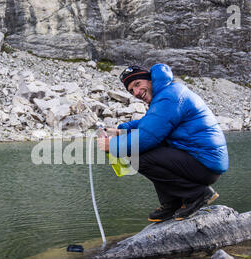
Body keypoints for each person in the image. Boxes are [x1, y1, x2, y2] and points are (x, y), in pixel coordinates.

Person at [98, 64, 229, 222]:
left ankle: (197, 194)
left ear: (150, 79)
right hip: (201, 161)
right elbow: (149, 123)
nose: (137, 92)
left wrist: (111, 146)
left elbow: (147, 137)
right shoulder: (166, 93)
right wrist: (120, 131)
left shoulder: (169, 96)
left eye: (138, 84)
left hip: (205, 164)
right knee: (147, 152)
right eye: (131, 90)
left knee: (139, 156)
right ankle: (172, 203)